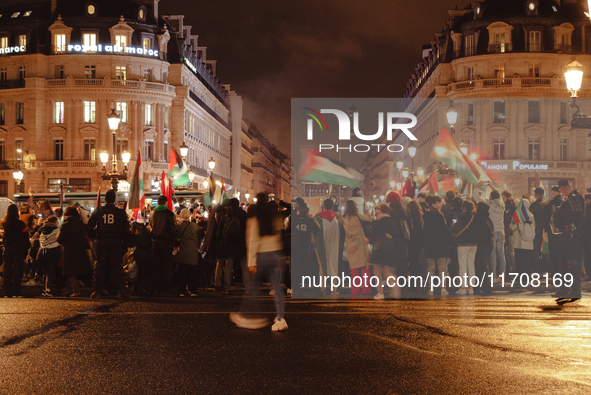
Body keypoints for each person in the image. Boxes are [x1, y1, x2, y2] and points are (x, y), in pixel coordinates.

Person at [230, 193, 287, 331]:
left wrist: (251, 262)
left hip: (262, 255)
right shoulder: (275, 219)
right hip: (275, 255)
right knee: (276, 288)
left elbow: (253, 242)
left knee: (252, 287)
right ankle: (280, 318)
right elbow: (281, 235)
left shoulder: (254, 220)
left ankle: (246, 314)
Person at [87, 189, 130, 299]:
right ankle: (120, 291)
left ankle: (97, 291)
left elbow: (89, 227)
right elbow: (126, 230)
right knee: (116, 266)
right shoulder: (119, 212)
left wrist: (95, 235)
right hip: (115, 241)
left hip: (102, 241)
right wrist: (124, 243)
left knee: (101, 266)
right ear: (115, 200)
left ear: (105, 199)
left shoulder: (99, 211)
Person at [551, 180, 584, 301]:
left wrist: (561, 215)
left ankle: (575, 290)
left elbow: (576, 214)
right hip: (568, 232)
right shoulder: (571, 197)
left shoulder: (573, 197)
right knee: (564, 261)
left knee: (571, 262)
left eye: (562, 190)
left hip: (572, 232)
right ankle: (565, 288)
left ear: (563, 189)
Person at [369, 204, 402, 299]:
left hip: (378, 251)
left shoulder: (378, 222)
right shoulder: (392, 222)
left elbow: (373, 237)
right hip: (389, 251)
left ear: (381, 211)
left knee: (377, 272)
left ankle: (380, 293)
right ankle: (395, 291)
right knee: (389, 272)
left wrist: (369, 240)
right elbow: (397, 238)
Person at [474, 182, 506, 279]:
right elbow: (498, 195)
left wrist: (477, 187)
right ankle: (503, 275)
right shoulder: (502, 204)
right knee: (501, 254)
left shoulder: (487, 204)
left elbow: (476, 198)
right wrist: (492, 186)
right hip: (501, 231)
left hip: (492, 231)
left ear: (491, 196)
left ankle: (493, 276)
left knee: (492, 255)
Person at [58, 206, 92, 297]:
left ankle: (76, 291)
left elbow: (60, 238)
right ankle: (68, 290)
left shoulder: (65, 225)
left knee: (70, 272)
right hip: (80, 250)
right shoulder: (81, 223)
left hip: (69, 251)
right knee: (77, 270)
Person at [290, 199, 320, 297]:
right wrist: (311, 219)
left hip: (295, 248)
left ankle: (296, 289)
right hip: (307, 248)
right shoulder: (309, 220)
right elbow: (317, 229)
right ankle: (317, 290)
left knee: (296, 270)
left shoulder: (293, 220)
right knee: (313, 269)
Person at [342, 200, 372, 296]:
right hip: (360, 243)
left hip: (350, 244)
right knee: (364, 267)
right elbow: (370, 220)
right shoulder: (358, 216)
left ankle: (355, 290)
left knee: (354, 269)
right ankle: (366, 289)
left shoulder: (344, 218)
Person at [150, 195, 178, 297]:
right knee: (166, 267)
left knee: (156, 266)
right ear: (166, 203)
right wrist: (176, 242)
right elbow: (173, 229)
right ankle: (164, 289)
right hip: (166, 243)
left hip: (155, 242)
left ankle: (155, 289)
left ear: (158, 203)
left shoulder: (153, 214)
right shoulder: (169, 214)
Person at [423, 195, 449, 297]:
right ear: (433, 204)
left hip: (429, 245)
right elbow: (445, 231)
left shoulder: (425, 216)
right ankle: (443, 288)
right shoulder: (440, 216)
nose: (440, 204)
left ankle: (431, 288)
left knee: (431, 268)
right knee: (442, 268)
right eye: (438, 203)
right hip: (441, 245)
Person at [1, 204, 30, 298]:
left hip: (8, 248)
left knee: (7, 269)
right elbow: (26, 235)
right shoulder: (20, 224)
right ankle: (16, 291)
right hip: (18, 248)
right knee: (17, 270)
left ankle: (7, 291)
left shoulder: (4, 223)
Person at [509, 198, 536, 292]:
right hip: (528, 242)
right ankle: (527, 279)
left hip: (519, 242)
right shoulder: (531, 215)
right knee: (527, 261)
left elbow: (512, 226)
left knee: (519, 261)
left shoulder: (518, 214)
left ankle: (519, 279)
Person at [313, 199, 340, 284]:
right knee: (333, 261)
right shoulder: (337, 217)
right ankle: (334, 285)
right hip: (335, 242)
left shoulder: (318, 217)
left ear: (323, 206)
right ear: (332, 206)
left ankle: (322, 286)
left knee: (322, 263)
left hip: (322, 243)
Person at [453, 200, 477, 295]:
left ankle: (463, 287)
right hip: (474, 243)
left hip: (463, 243)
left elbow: (455, 229)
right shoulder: (475, 217)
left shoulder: (461, 217)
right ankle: (471, 288)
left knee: (462, 265)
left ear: (464, 208)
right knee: (471, 264)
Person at [175, 208, 200, 297]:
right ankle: (192, 290)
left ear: (180, 215)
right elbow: (199, 235)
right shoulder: (194, 226)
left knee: (182, 272)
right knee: (192, 271)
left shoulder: (178, 226)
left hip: (182, 252)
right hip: (192, 252)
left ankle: (181, 290)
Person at [35, 216, 61, 297]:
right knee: (50, 272)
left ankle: (44, 289)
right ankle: (48, 290)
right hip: (52, 252)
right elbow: (59, 239)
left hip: (41, 253)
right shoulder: (57, 230)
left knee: (45, 272)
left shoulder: (42, 230)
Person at [472, 202, 494, 295]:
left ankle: (484, 286)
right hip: (488, 244)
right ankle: (483, 286)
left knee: (481, 265)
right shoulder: (487, 218)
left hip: (482, 244)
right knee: (483, 265)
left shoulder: (479, 219)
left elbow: (478, 233)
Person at [131, 222, 154, 296]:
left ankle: (140, 288)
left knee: (141, 271)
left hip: (138, 254)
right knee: (148, 272)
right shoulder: (148, 235)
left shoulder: (137, 235)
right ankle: (146, 288)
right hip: (147, 255)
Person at [529, 187, 545, 275]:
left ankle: (536, 269)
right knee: (544, 250)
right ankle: (544, 268)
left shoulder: (534, 206)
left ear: (535, 195)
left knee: (535, 251)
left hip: (536, 230)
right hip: (545, 230)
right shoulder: (546, 204)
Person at [406, 200, 423, 281]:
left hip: (408, 241)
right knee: (415, 262)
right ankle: (414, 282)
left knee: (407, 261)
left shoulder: (407, 218)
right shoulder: (420, 218)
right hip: (417, 242)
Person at [502, 191, 516, 273]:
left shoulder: (508, 206)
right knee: (510, 251)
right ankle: (512, 267)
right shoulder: (512, 205)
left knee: (509, 251)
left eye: (503, 197)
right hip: (510, 231)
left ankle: (513, 268)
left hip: (508, 231)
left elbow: (507, 220)